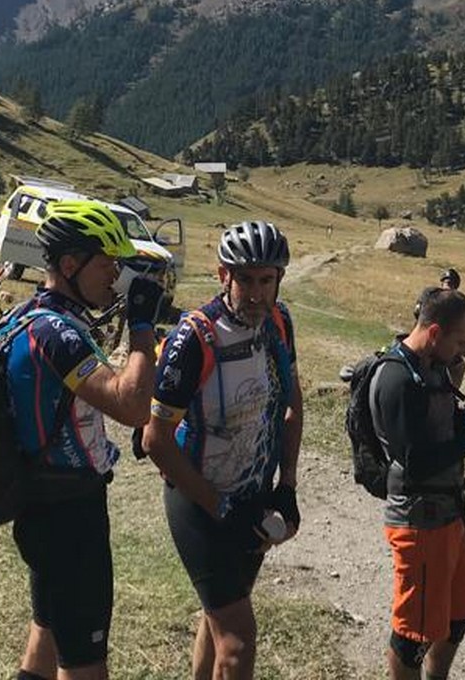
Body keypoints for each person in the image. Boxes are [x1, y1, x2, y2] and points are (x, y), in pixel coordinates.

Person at [4, 200, 166, 680]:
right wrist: (142, 327)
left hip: (41, 502)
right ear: (71, 264)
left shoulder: (30, 315)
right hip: (69, 514)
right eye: (106, 263)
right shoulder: (58, 333)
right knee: (84, 662)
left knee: (47, 633)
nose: (115, 275)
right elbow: (132, 406)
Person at [143, 221, 304, 680]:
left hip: (252, 494)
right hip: (198, 497)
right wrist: (220, 508)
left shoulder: (279, 323)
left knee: (220, 618)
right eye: (245, 279)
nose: (256, 293)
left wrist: (287, 486)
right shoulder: (193, 339)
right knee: (238, 640)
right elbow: (155, 440)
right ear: (223, 275)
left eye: (266, 280)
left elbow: (291, 405)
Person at [371, 287, 465, 680]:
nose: (464, 352)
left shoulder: (432, 366)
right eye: (461, 342)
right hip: (419, 522)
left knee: (461, 613)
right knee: (413, 634)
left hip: (450, 512)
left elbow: (441, 422)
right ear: (434, 332)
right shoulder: (397, 378)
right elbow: (414, 463)